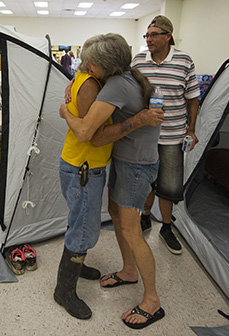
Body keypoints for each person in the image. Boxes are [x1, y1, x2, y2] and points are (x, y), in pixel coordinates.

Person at [59, 33, 165, 329]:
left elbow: (87, 134)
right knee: (117, 218)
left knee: (131, 230)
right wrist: (78, 78)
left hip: (135, 165)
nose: (86, 66)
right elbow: (85, 75)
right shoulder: (124, 75)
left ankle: (152, 300)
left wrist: (66, 112)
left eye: (91, 64)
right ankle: (129, 270)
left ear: (107, 64)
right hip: (123, 160)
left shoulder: (117, 83)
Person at [132, 15, 200, 255]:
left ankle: (167, 227)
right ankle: (145, 216)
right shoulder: (139, 60)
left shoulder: (183, 61)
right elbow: (125, 87)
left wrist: (191, 130)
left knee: (169, 185)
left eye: (153, 35)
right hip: (145, 135)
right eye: (146, 35)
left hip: (172, 136)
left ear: (168, 36)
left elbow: (192, 100)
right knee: (148, 180)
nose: (148, 39)